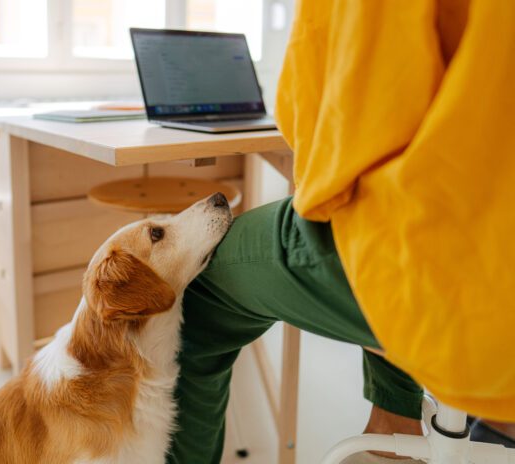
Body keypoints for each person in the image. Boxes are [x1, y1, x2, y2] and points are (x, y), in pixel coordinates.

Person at [167, 1, 515, 463]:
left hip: (476, 266)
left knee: (197, 285)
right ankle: (396, 417)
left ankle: (397, 418)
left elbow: (338, 116)